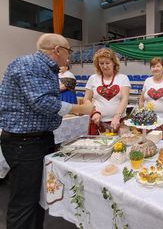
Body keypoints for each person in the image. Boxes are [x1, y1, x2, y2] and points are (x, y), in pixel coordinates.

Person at [0, 33, 93, 229]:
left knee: (37, 199)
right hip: (25, 144)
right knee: (24, 203)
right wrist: (79, 109)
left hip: (35, 140)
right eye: (68, 51)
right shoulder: (31, 65)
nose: (69, 56)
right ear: (57, 50)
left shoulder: (43, 67)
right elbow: (42, 102)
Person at [84, 48, 131, 135]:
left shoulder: (123, 78)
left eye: (108, 63)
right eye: (101, 63)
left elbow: (124, 99)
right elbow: (86, 99)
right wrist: (93, 112)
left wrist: (117, 116)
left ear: (114, 63)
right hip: (97, 122)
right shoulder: (92, 78)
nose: (104, 66)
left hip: (118, 122)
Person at [139, 57, 163, 141]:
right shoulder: (147, 81)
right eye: (153, 66)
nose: (155, 68)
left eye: (158, 66)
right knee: (148, 145)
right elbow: (141, 100)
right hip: (148, 121)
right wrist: (142, 116)